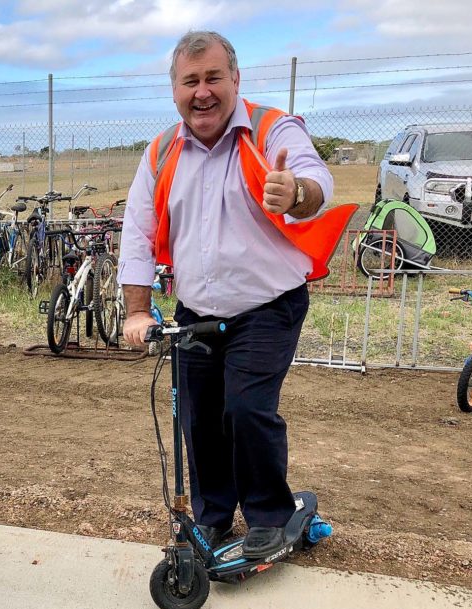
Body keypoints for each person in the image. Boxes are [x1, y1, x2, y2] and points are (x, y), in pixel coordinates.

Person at [118, 30, 356, 558]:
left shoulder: (270, 130)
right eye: (190, 82)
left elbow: (316, 179)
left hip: (268, 306)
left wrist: (297, 193)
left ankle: (270, 514)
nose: (202, 92)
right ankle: (214, 516)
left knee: (246, 409)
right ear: (174, 90)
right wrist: (137, 309)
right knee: (198, 415)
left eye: (213, 78)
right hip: (195, 312)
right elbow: (137, 231)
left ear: (235, 80)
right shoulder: (160, 152)